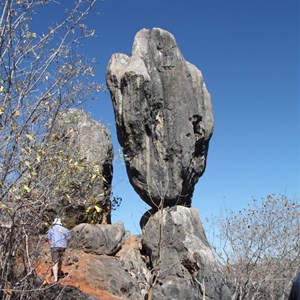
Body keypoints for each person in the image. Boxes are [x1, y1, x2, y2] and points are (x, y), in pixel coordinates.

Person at [47, 217, 70, 282]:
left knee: (55, 262)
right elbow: (69, 238)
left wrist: (51, 245)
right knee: (60, 259)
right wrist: (66, 245)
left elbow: (49, 238)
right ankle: (59, 272)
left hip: (54, 246)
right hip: (63, 246)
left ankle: (55, 278)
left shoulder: (52, 229)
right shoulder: (65, 229)